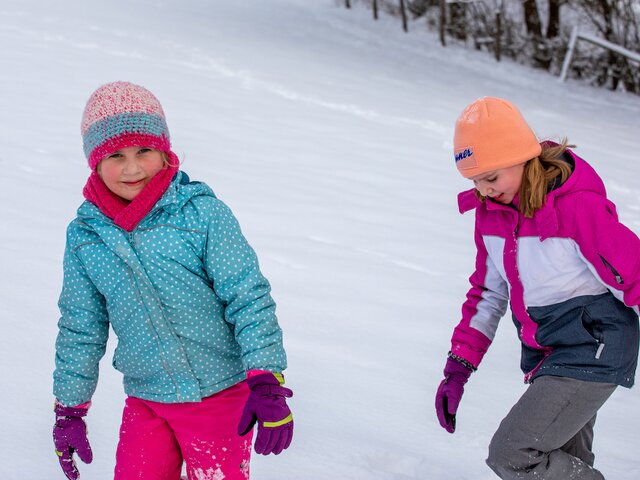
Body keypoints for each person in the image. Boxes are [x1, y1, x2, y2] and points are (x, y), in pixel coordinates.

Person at [52, 81, 294, 480]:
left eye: (144, 151)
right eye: (116, 155)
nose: (132, 168)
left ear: (164, 151)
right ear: (95, 162)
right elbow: (80, 326)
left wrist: (266, 377)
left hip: (218, 394)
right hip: (146, 398)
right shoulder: (85, 237)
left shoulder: (201, 215)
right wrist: (70, 409)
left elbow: (248, 297)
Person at [434, 96, 640, 479]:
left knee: (513, 453)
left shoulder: (576, 209)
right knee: (562, 462)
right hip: (547, 352)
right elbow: (488, 294)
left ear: (524, 158)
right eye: (474, 181)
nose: (484, 191)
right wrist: (458, 369)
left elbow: (635, 274)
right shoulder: (490, 217)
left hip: (595, 347)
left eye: (491, 177)